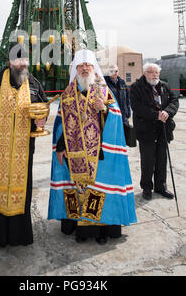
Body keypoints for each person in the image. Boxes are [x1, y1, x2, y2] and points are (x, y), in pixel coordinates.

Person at [48, 49, 137, 245]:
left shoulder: (104, 91)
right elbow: (62, 124)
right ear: (76, 70)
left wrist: (104, 108)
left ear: (94, 68)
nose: (85, 69)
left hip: (99, 152)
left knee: (98, 190)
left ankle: (100, 232)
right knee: (78, 189)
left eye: (88, 66)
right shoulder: (68, 94)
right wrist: (60, 148)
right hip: (74, 153)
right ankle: (80, 231)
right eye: (81, 66)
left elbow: (116, 117)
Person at [0, 43, 48, 250]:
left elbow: (43, 106)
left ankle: (21, 236)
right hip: (0, 152)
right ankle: (0, 237)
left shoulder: (33, 83)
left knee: (22, 192)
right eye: (17, 60)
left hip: (25, 151)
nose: (21, 64)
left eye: (25, 60)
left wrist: (41, 120)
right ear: (9, 62)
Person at [130, 63, 179, 201]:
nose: (154, 75)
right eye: (151, 72)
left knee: (162, 159)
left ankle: (161, 186)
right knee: (148, 160)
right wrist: (155, 115)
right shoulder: (136, 87)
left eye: (156, 72)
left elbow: (174, 101)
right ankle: (146, 187)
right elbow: (137, 107)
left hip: (163, 129)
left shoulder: (164, 86)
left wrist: (167, 112)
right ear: (145, 73)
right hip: (146, 130)